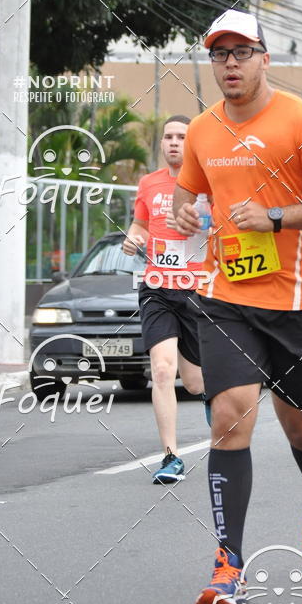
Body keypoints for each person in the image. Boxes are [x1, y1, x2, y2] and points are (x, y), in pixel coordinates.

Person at [171, 8, 302, 604]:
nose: (229, 63)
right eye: (218, 54)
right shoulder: (203, 129)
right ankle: (228, 561)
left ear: (264, 58)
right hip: (227, 297)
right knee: (229, 415)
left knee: (301, 425)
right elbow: (187, 190)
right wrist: (182, 213)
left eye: (240, 52)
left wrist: (279, 217)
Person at [123, 115, 204, 483]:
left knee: (195, 383)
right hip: (156, 287)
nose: (173, 142)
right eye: (168, 137)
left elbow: (221, 226)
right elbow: (140, 224)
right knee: (161, 370)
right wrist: (134, 238)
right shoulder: (148, 183)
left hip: (197, 290)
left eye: (181, 137)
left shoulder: (206, 183)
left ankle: (212, 400)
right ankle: (170, 456)